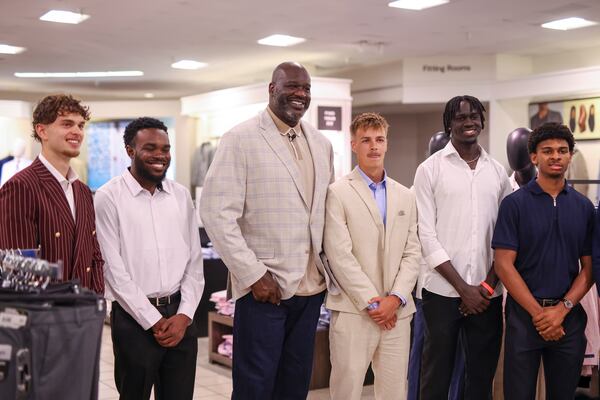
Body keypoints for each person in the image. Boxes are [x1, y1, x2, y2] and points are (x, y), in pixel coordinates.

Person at [200, 61, 337, 400]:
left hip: (310, 290)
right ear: (272, 89)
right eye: (292, 86)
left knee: (294, 385)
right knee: (255, 387)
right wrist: (253, 274)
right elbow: (216, 214)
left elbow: (324, 213)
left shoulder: (321, 144)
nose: (300, 94)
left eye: (305, 88)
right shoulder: (241, 139)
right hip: (265, 288)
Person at [94, 117, 205, 400]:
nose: (160, 155)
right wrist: (153, 321)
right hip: (133, 322)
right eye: (150, 147)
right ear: (130, 151)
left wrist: (184, 315)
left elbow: (194, 261)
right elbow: (112, 270)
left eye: (166, 149)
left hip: (180, 318)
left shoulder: (180, 196)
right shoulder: (108, 197)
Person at [413, 95, 512, 400]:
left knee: (480, 379)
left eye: (474, 116)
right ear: (449, 124)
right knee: (436, 377)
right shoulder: (429, 170)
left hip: (488, 295)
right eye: (460, 117)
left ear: (482, 121)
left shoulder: (497, 173)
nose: (469, 122)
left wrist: (486, 285)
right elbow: (426, 235)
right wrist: (463, 288)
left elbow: (506, 237)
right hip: (441, 293)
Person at [494, 123, 594, 400]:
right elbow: (503, 264)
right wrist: (540, 315)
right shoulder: (514, 204)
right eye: (547, 151)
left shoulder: (584, 207)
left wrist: (561, 311)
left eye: (562, 151)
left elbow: (589, 269)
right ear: (534, 157)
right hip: (524, 319)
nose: (556, 156)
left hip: (568, 319)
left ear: (570, 156)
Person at [324, 112, 420, 400]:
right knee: (346, 391)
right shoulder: (337, 193)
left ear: (387, 144)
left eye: (379, 139)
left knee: (393, 392)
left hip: (398, 313)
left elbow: (413, 251)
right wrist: (373, 302)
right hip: (355, 311)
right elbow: (339, 255)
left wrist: (395, 299)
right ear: (354, 145)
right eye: (366, 140)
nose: (373, 146)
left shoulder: (405, 195)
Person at [0, 94, 104, 293]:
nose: (77, 132)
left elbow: (94, 256)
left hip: (83, 313)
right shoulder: (20, 187)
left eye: (80, 126)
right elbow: (19, 269)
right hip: (42, 316)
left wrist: (96, 300)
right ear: (42, 131)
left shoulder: (82, 191)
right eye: (67, 124)